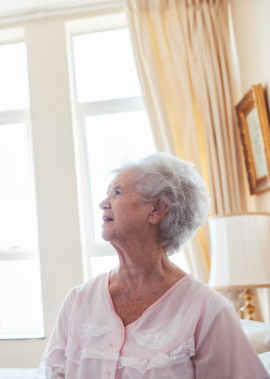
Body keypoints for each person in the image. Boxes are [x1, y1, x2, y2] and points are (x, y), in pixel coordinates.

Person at [40, 153, 269, 378]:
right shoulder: (77, 302)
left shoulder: (208, 310)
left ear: (157, 209)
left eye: (117, 193)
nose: (103, 203)